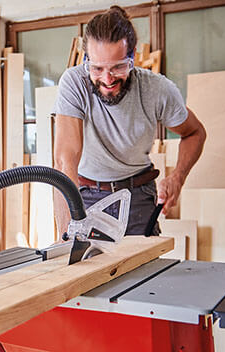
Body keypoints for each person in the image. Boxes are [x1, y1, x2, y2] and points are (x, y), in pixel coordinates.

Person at [52, 5, 206, 236]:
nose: (107, 79)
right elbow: (66, 163)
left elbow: (194, 133)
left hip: (138, 196)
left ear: (133, 55)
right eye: (97, 68)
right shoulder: (75, 83)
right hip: (86, 197)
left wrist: (177, 177)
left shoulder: (156, 89)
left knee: (145, 270)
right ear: (86, 59)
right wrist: (67, 232)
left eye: (118, 67)